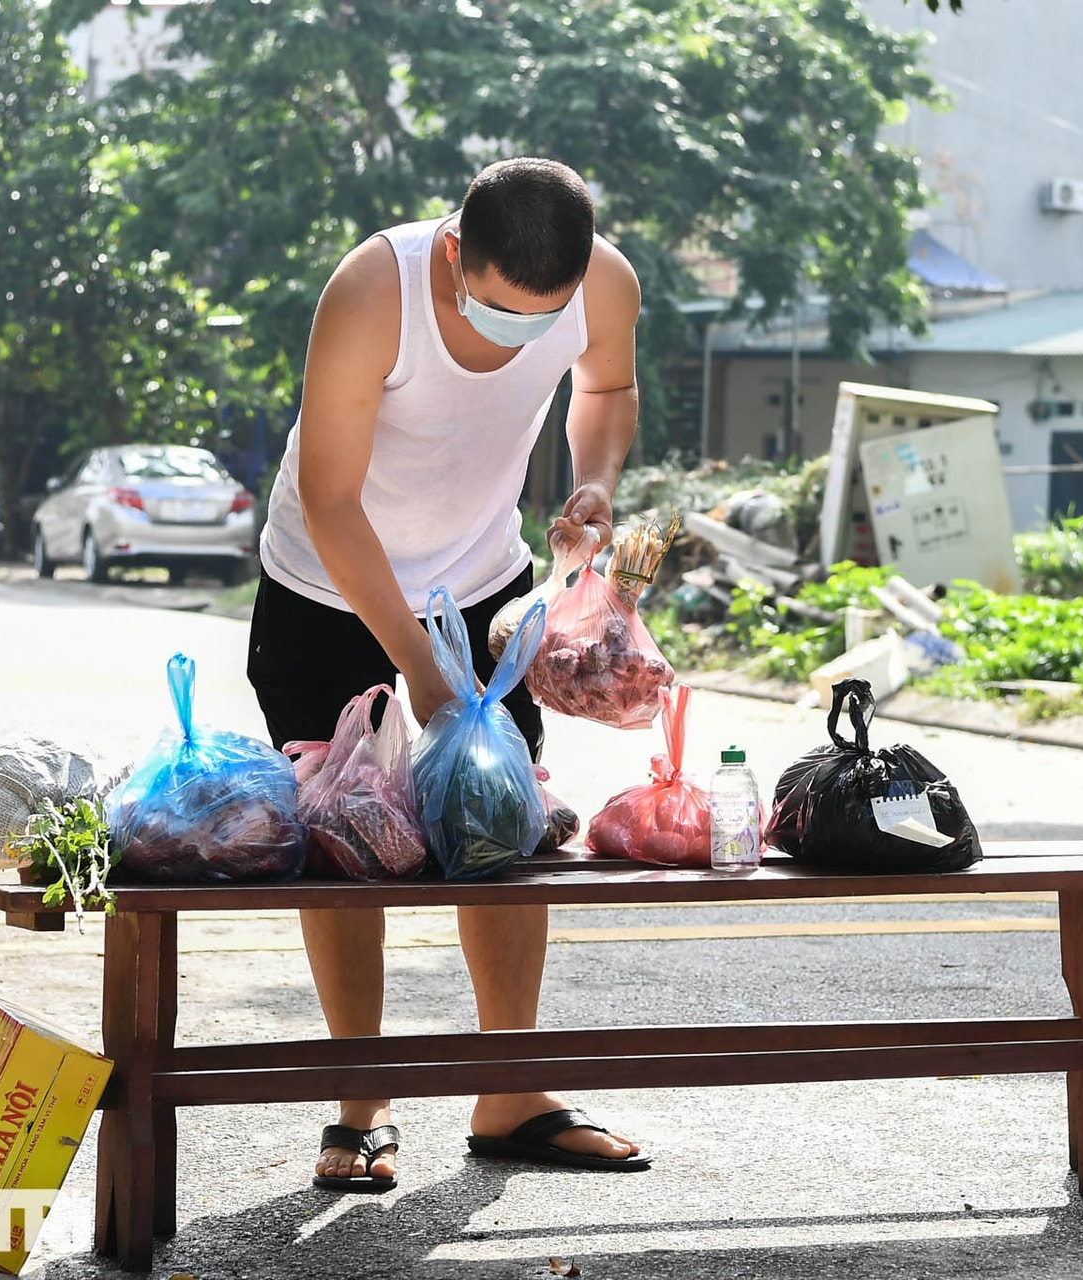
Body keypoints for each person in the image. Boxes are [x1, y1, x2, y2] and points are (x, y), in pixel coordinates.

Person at [246, 157, 649, 1190]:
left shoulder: (604, 282)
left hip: (481, 582)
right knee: (352, 840)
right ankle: (361, 1095)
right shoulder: (374, 290)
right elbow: (333, 501)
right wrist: (420, 674)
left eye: (542, 317)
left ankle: (509, 1087)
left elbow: (607, 385)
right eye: (503, 310)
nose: (522, 334)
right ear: (457, 251)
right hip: (329, 589)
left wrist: (594, 483)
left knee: (502, 829)